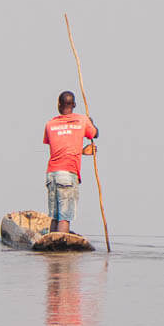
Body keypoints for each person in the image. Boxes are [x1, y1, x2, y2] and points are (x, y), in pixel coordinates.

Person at [43, 91, 98, 233]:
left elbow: (59, 149)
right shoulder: (82, 120)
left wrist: (81, 151)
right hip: (67, 174)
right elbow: (95, 134)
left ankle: (52, 252)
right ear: (74, 105)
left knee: (54, 217)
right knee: (64, 217)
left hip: (52, 175)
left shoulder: (50, 124)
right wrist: (91, 123)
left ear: (59, 105)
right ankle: (62, 252)